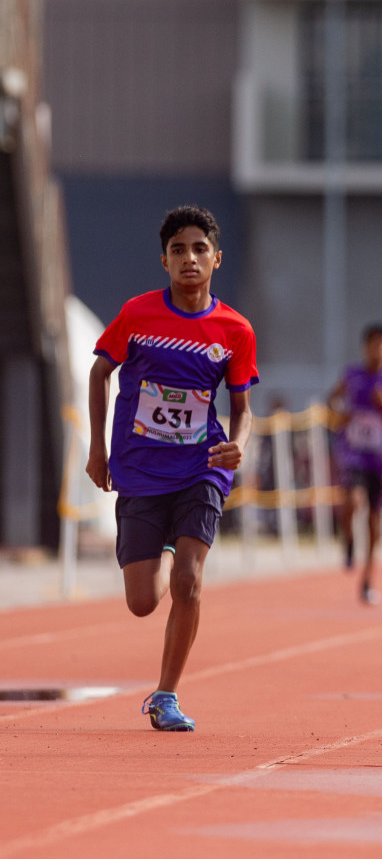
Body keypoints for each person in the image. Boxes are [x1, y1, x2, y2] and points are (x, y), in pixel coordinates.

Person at [85, 205, 259, 732]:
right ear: (164, 260)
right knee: (141, 601)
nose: (190, 258)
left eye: (199, 249)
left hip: (201, 465)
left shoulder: (235, 330)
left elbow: (243, 408)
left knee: (188, 582)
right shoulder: (137, 316)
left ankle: (166, 695)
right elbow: (99, 374)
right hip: (139, 468)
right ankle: (165, 543)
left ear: (217, 259)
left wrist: (239, 444)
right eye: (179, 250)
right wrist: (98, 450)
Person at [327, 324, 382, 604]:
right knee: (351, 502)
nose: (377, 351)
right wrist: (340, 414)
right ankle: (349, 539)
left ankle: (367, 579)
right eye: (372, 345)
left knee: (374, 522)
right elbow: (331, 400)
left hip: (381, 459)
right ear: (364, 347)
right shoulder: (352, 376)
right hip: (353, 453)